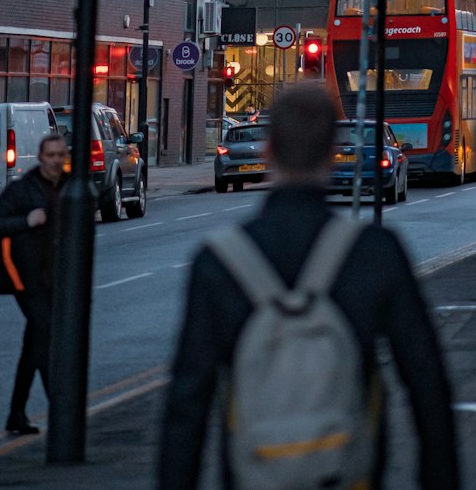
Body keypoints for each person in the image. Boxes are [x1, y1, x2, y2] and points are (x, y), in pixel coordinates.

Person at [159, 83, 460, 490]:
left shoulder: (218, 263)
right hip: (349, 472)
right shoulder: (374, 252)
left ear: (268, 153)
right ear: (329, 154)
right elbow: (427, 384)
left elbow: (187, 404)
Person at [0, 130, 66, 434]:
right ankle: (61, 407)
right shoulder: (23, 190)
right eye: (50, 155)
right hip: (24, 277)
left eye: (60, 155)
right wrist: (26, 221)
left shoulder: (68, 189)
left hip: (55, 278)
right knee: (43, 332)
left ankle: (16, 413)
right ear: (41, 158)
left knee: (35, 344)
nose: (56, 161)